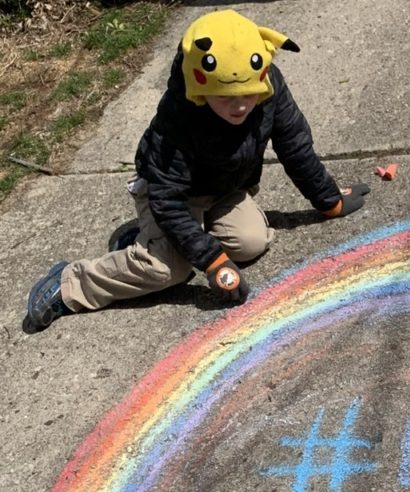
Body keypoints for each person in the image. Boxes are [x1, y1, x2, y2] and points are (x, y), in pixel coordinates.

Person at [26, 8, 368, 330]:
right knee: (168, 271)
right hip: (171, 197)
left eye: (248, 94)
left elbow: (295, 146)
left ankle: (144, 240)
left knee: (251, 243)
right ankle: (70, 284)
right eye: (224, 97)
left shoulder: (269, 87)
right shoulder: (178, 119)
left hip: (223, 189)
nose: (240, 106)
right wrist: (212, 260)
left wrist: (328, 200)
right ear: (199, 85)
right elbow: (167, 197)